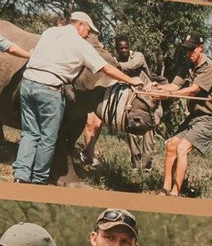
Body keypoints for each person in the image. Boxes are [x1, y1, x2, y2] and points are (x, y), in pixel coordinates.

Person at [15, 12, 135, 186]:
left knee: (29, 133)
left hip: (27, 85)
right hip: (49, 89)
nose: (89, 34)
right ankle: (39, 180)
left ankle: (20, 176)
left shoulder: (50, 32)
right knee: (48, 138)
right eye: (88, 30)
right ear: (80, 25)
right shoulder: (80, 44)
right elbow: (105, 68)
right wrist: (131, 80)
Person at [160, 39, 212, 196]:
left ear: (201, 48)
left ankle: (176, 192)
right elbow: (174, 86)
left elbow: (193, 90)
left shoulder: (210, 68)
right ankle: (165, 188)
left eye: (192, 50)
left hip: (209, 117)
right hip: (194, 116)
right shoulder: (187, 64)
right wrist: (157, 88)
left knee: (182, 148)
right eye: (186, 50)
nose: (189, 54)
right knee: (171, 146)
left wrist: (170, 94)